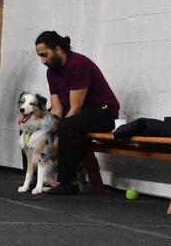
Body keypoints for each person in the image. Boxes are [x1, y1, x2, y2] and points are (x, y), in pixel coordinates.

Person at [35, 31, 120, 195]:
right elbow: (57, 109)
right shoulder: (51, 71)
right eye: (40, 56)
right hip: (79, 115)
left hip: (103, 112)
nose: (43, 61)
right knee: (36, 127)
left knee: (68, 126)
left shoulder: (77, 64)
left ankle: (68, 182)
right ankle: (37, 178)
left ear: (58, 49)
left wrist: (57, 141)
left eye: (45, 55)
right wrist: (46, 135)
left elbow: (75, 109)